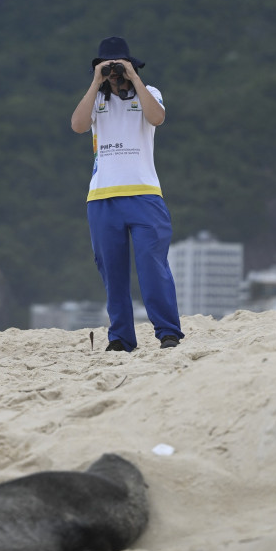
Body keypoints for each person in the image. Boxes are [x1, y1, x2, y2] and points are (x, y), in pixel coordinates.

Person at [71, 35, 184, 352]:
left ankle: (168, 333)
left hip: (145, 195)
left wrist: (134, 76)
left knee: (153, 266)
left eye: (120, 66)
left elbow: (157, 117)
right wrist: (97, 81)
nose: (115, 73)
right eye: (110, 68)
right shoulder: (96, 100)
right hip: (102, 199)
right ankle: (121, 339)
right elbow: (78, 125)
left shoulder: (150, 94)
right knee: (113, 273)